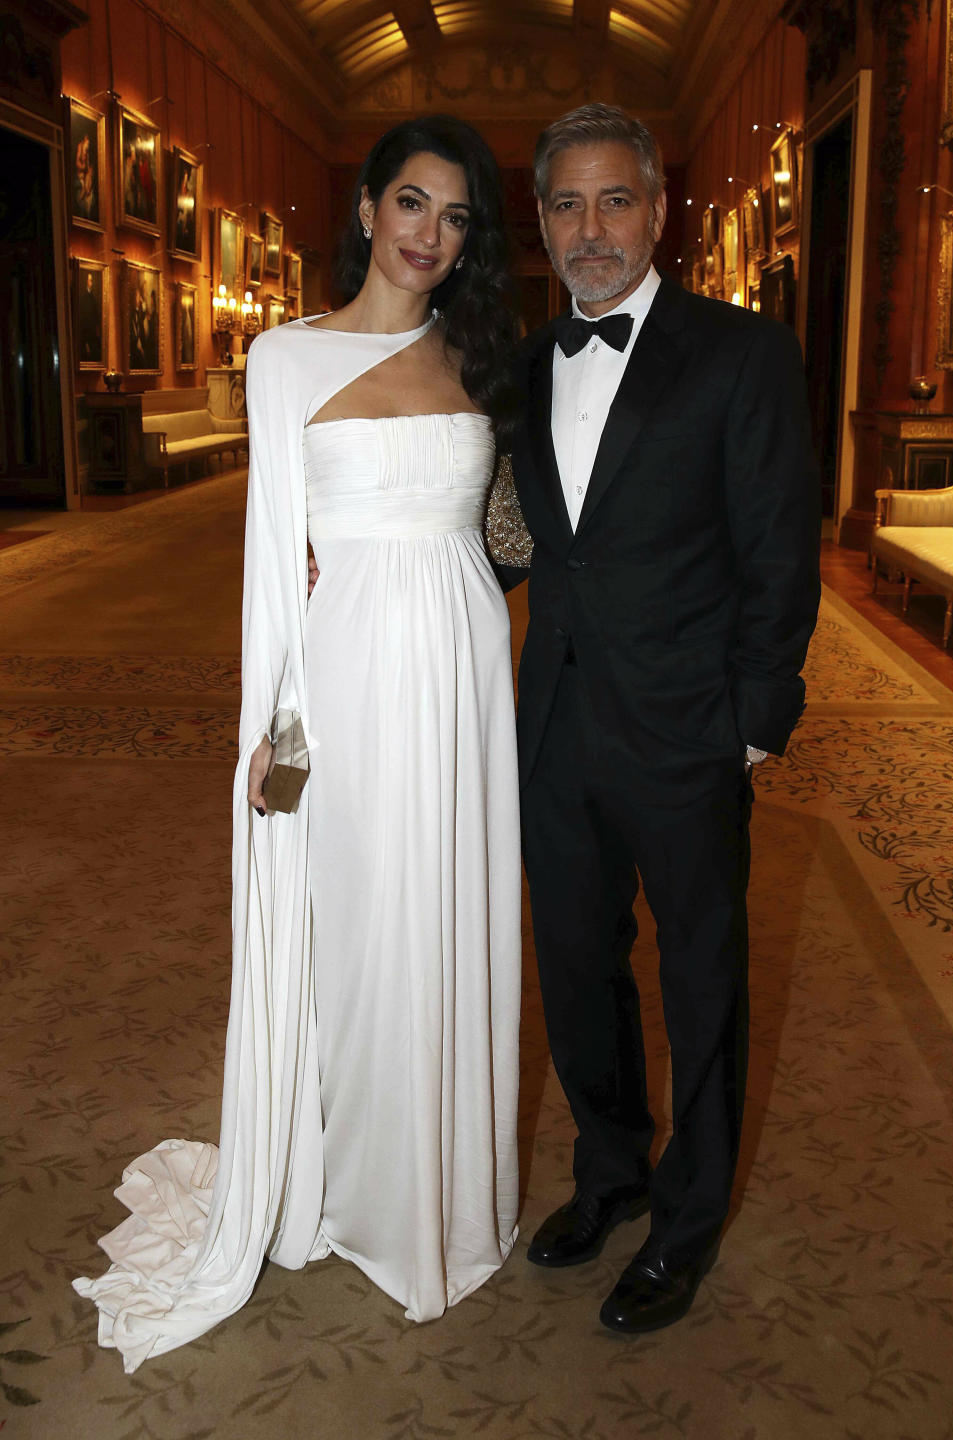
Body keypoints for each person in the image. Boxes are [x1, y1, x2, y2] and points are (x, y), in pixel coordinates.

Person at [74, 114, 522, 1371]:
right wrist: (274, 734)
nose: (432, 235)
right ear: (371, 207)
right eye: (414, 205)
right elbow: (276, 569)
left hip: (468, 669)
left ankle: (444, 1185)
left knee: (451, 916)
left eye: (457, 218)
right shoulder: (284, 360)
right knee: (365, 925)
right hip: (352, 673)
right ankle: (359, 1183)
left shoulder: (476, 350)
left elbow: (506, 533)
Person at [504, 103, 821, 1334]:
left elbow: (778, 552)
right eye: (567, 206)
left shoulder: (742, 354)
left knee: (701, 983)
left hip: (691, 730)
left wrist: (752, 720)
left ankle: (688, 1223)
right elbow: (518, 542)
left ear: (659, 209)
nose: (592, 229)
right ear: (540, 222)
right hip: (558, 729)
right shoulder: (524, 366)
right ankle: (613, 1172)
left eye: (615, 200)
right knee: (578, 972)